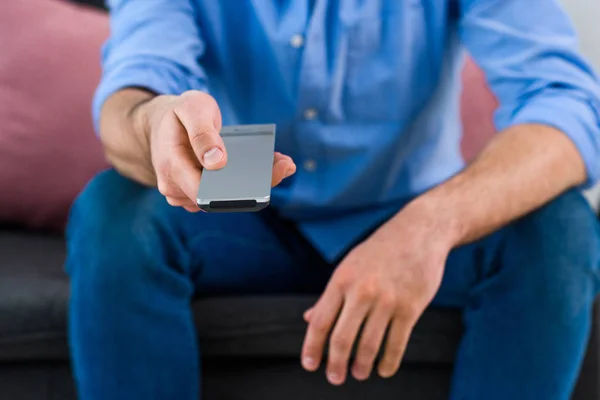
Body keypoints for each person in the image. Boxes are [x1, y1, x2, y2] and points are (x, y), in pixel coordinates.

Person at [66, 1, 600, 399]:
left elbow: (565, 103)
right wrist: (155, 124)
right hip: (237, 219)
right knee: (114, 209)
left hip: (409, 217)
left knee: (560, 224)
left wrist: (432, 225)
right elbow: (131, 93)